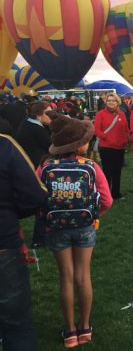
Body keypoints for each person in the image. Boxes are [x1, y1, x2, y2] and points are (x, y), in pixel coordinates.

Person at [37, 112, 112, 348]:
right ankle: (85, 327)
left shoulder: (46, 167)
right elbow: (107, 200)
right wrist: (94, 216)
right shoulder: (91, 166)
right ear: (79, 144)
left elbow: (36, 198)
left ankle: (70, 331)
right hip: (85, 226)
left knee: (66, 278)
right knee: (83, 276)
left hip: (56, 228)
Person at [0, 134, 47, 351]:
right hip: (4, 244)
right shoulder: (4, 144)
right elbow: (36, 194)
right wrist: (10, 211)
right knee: (17, 324)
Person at [15, 101, 53, 248]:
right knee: (43, 202)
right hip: (37, 167)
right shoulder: (35, 129)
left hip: (32, 166)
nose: (50, 116)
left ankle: (42, 235)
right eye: (48, 113)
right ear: (39, 114)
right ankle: (39, 237)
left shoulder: (28, 124)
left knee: (43, 201)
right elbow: (49, 146)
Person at [94, 92, 129, 201]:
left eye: (113, 100)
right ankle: (106, 195)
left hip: (120, 148)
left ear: (117, 102)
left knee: (117, 171)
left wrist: (124, 140)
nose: (111, 102)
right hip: (107, 148)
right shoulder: (101, 114)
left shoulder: (122, 114)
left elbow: (126, 130)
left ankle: (116, 193)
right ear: (106, 102)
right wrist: (105, 137)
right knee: (107, 172)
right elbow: (96, 129)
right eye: (109, 100)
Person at [15, 100, 52, 168]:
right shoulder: (37, 129)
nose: (51, 116)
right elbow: (50, 147)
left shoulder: (28, 122)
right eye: (48, 113)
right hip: (35, 165)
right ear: (38, 115)